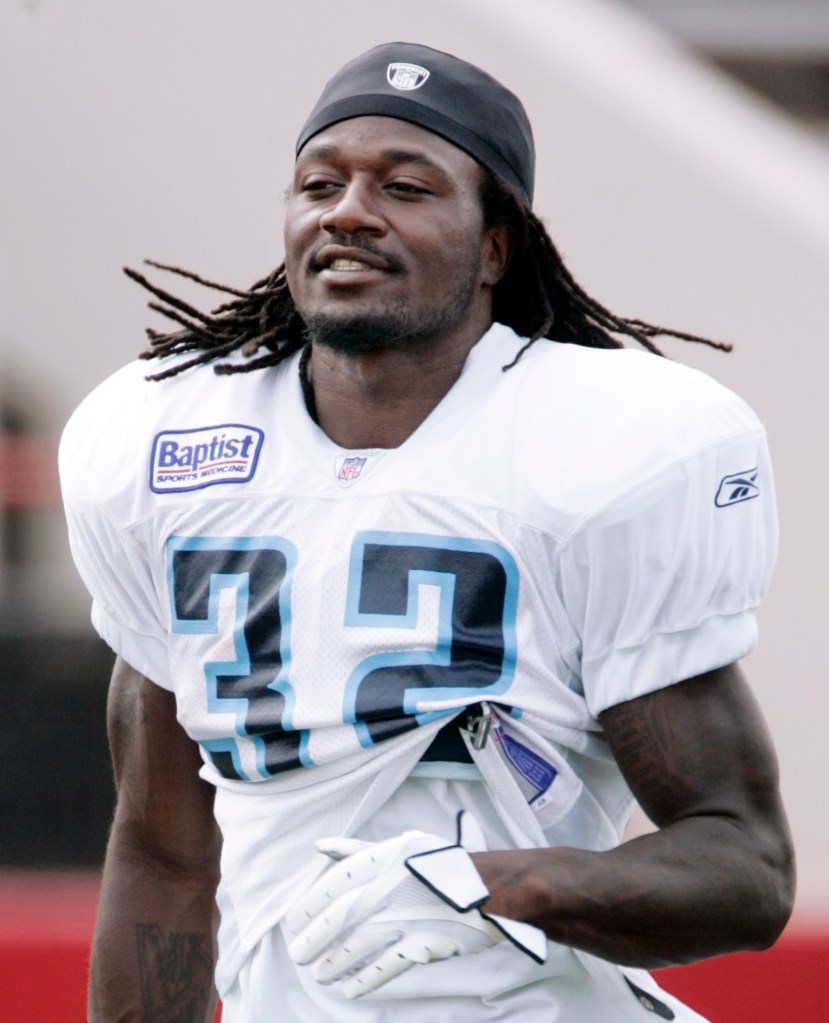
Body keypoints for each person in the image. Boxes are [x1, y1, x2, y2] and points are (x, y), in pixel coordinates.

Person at [60, 41, 794, 1023]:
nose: (348, 210)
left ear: (496, 246)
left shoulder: (601, 447)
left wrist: (496, 883)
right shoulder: (162, 440)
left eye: (406, 186)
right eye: (319, 182)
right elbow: (163, 856)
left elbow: (741, 866)